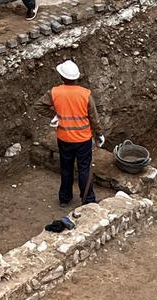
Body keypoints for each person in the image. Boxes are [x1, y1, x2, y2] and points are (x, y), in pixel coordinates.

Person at [38, 60, 105, 206]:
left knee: (66, 168)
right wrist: (98, 134)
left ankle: (64, 198)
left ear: (62, 77)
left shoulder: (54, 92)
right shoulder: (85, 94)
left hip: (64, 138)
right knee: (84, 169)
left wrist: (54, 115)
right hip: (83, 139)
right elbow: (94, 117)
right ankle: (88, 200)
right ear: (76, 77)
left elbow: (39, 106)